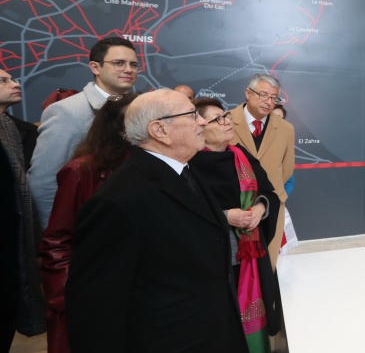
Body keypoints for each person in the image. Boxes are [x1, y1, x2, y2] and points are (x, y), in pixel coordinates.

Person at [65, 89, 249, 353]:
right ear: (160, 130)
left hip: (213, 332)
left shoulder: (185, 170)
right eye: (192, 115)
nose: (202, 122)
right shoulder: (116, 201)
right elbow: (96, 310)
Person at [39, 92, 138, 353]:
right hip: (92, 298)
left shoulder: (151, 167)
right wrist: (67, 299)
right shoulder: (82, 170)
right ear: (122, 129)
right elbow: (57, 241)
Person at [190, 97, 282, 350]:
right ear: (199, 126)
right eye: (217, 119)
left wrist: (260, 208)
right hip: (215, 258)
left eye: (226, 116)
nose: (226, 122)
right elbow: (185, 211)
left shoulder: (242, 156)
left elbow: (269, 193)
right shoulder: (190, 164)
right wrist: (225, 216)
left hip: (251, 253)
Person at [29, 36, 138, 232]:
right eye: (119, 63)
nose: (128, 69)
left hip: (123, 222)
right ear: (95, 67)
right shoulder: (67, 111)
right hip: (84, 226)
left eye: (134, 64)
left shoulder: (139, 108)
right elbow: (44, 180)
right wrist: (53, 236)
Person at [227, 74, 295, 270]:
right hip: (236, 209)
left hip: (271, 207)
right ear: (248, 93)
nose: (268, 102)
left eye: (274, 97)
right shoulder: (225, 121)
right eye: (263, 95)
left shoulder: (286, 129)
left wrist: (267, 196)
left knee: (267, 266)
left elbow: (286, 169)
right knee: (236, 269)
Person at [0, 70, 46, 350]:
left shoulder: (10, 127)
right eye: (3, 81)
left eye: (12, 79)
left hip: (13, 240)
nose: (15, 84)